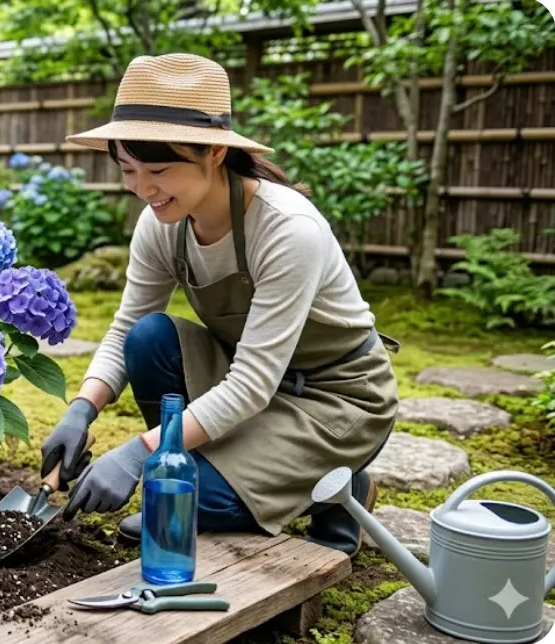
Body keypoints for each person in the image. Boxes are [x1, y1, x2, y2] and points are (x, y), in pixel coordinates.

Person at [41, 52, 400, 556]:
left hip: (334, 399)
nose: (142, 189)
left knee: (188, 500)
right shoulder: (161, 223)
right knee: (149, 340)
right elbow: (125, 330)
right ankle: (208, 467)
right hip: (248, 382)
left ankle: (341, 488)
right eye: (127, 169)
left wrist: (138, 455)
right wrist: (81, 410)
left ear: (212, 153)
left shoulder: (287, 230)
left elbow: (253, 384)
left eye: (159, 169)